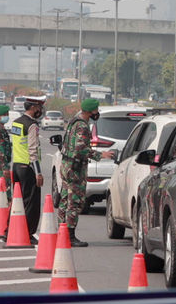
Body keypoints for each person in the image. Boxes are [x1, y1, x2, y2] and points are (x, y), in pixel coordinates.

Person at [57, 98, 113, 247]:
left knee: (64, 199)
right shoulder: (82, 126)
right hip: (75, 168)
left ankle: (60, 232)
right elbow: (80, 148)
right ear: (90, 111)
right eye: (96, 110)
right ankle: (69, 235)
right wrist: (101, 155)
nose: (97, 113)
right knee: (74, 201)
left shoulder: (73, 121)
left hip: (66, 165)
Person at [10, 96, 46, 241]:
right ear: (32, 108)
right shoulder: (32, 125)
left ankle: (10, 230)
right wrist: (38, 172)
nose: (40, 110)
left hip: (16, 165)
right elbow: (33, 150)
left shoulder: (16, 122)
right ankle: (28, 234)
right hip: (28, 167)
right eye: (38, 108)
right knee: (31, 203)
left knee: (17, 201)